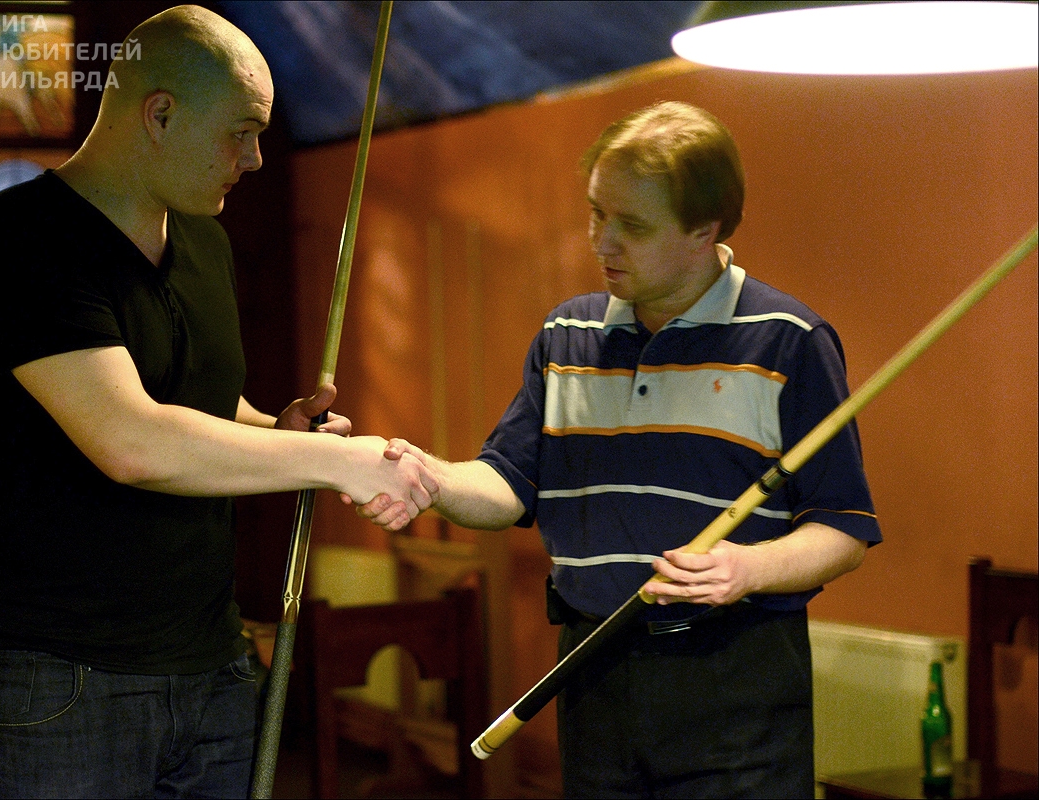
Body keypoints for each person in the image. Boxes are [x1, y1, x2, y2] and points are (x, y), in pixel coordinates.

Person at [0, 6, 436, 798]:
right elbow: (129, 438)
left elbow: (194, 402)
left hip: (209, 664)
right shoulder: (24, 236)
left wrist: (276, 428)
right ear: (161, 114)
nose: (256, 158)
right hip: (56, 677)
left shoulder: (204, 236)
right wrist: (333, 460)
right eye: (241, 133)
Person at [355, 101, 881, 798]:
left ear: (704, 230)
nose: (602, 242)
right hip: (592, 668)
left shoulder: (789, 341)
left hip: (734, 676)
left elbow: (842, 529)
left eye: (631, 226)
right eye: (596, 213)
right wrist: (434, 479)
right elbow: (508, 484)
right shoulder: (566, 336)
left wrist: (748, 568)